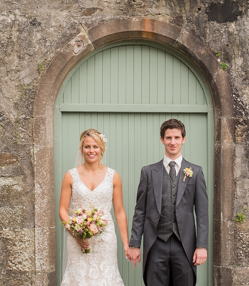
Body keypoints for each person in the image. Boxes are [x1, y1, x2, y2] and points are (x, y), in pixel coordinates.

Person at [127, 118, 209, 286]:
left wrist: (201, 246)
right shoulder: (148, 172)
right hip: (156, 244)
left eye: (177, 138)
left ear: (183, 139)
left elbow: (202, 213)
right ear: (162, 139)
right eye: (169, 138)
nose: (173, 142)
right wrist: (134, 244)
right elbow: (140, 211)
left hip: (184, 245)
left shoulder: (196, 172)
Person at [59, 129, 129, 286]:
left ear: (102, 149)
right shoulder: (70, 176)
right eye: (87, 147)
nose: (91, 151)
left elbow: (119, 212)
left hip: (106, 239)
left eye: (95, 147)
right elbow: (62, 211)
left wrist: (126, 243)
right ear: (82, 149)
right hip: (78, 238)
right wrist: (76, 234)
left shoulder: (113, 176)